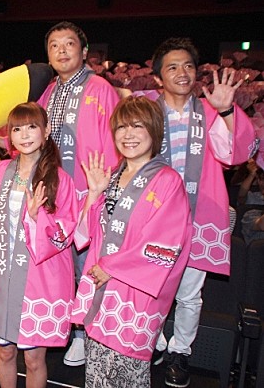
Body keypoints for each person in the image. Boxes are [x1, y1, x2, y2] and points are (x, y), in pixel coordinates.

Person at [150, 38, 257, 388]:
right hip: (154, 218)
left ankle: (180, 352)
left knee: (189, 294)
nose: (182, 73)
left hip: (199, 214)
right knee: (151, 287)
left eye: (188, 66)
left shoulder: (209, 111)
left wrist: (226, 112)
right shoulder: (147, 112)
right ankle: (154, 343)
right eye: (172, 67)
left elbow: (233, 155)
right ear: (158, 78)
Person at [71, 95, 192, 387]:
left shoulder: (168, 181)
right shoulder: (113, 176)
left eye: (138, 126)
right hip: (102, 288)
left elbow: (165, 244)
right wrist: (94, 193)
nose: (128, 134)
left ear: (154, 130)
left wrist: (112, 267)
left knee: (127, 373)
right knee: (97, 372)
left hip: (135, 293)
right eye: (122, 127)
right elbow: (87, 234)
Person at [0, 102, 78, 388]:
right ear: (9, 136)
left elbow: (65, 232)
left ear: (46, 131)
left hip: (39, 278)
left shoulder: (59, 180)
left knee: (34, 359)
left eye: (32, 127)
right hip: (1, 274)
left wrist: (38, 218)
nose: (24, 135)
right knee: (4, 352)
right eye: (17, 129)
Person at [40, 21, 120, 366]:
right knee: (56, 265)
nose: (61, 51)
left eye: (69, 44)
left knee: (85, 265)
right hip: (55, 193)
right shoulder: (48, 92)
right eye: (54, 45)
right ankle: (60, 323)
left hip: (89, 192)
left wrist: (103, 189)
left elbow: (117, 140)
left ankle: (83, 334)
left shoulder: (101, 89)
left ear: (84, 52)